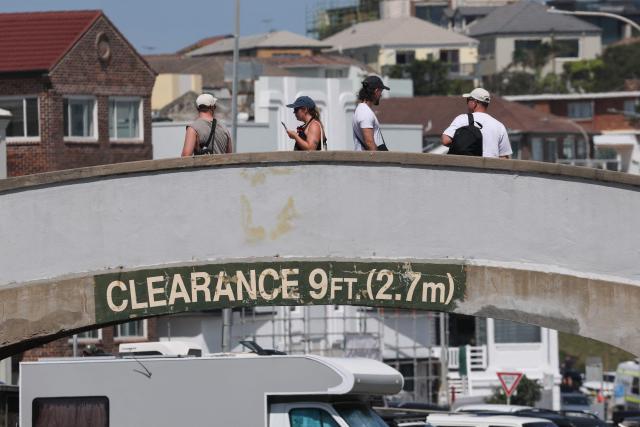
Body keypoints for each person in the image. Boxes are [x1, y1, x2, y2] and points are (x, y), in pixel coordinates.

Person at [442, 88, 512, 158]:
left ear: (474, 103)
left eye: (468, 100)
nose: (467, 103)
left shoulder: (463, 119)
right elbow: (504, 156)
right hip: (490, 167)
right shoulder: (499, 126)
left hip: (469, 165)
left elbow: (446, 140)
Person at [352, 75, 390, 151]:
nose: (381, 95)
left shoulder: (362, 110)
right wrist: (378, 161)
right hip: (369, 161)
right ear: (376, 91)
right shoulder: (365, 112)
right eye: (381, 92)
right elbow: (369, 143)